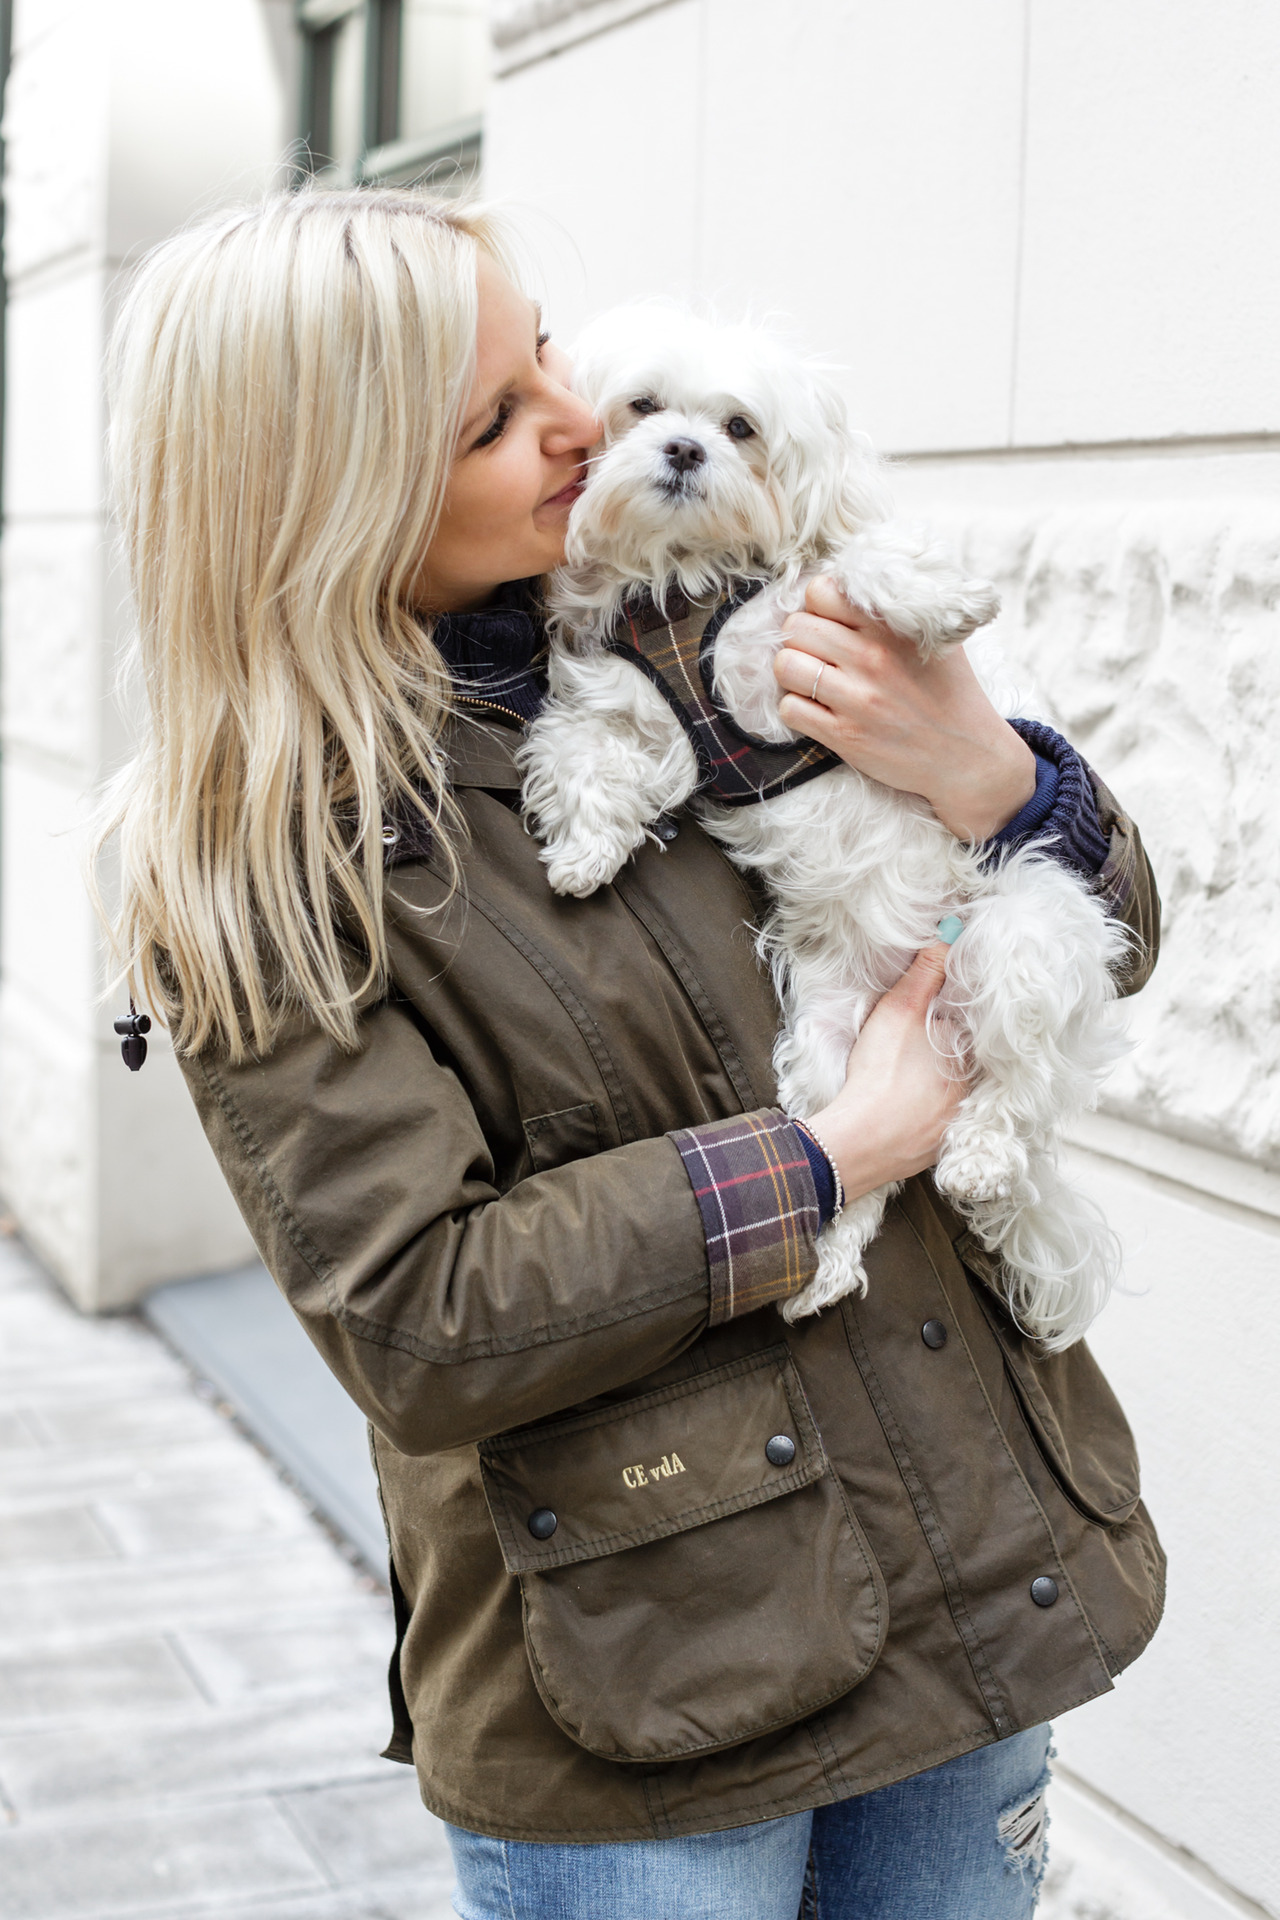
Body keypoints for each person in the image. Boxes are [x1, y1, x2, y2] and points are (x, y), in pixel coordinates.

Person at [99, 187, 1163, 1920]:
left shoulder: (727, 638)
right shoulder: (272, 857)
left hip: (975, 1592)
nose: (582, 419)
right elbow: (421, 1318)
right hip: (658, 1713)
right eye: (498, 419)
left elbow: (1105, 938)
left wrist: (996, 777)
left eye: (542, 352)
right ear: (343, 486)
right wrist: (830, 1159)